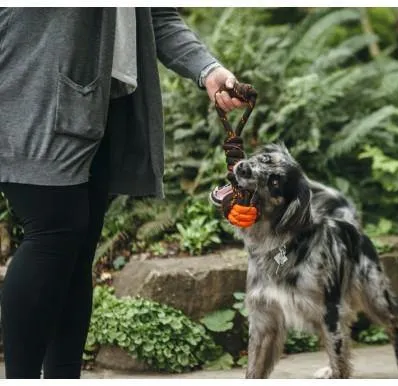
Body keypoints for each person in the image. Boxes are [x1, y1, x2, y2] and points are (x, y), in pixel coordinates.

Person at [0, 7, 251, 379]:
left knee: (77, 248)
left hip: (98, 104)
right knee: (55, 233)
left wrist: (208, 70)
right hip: (31, 90)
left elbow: (156, 15)